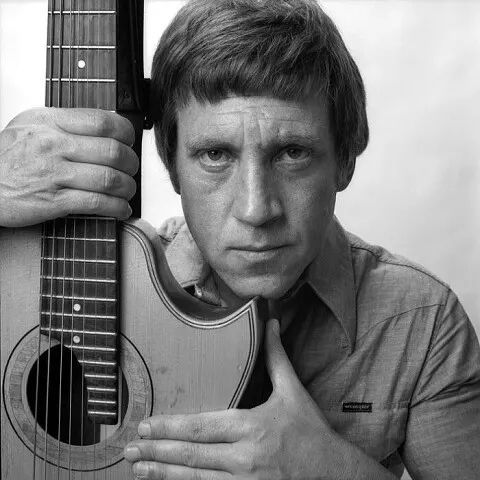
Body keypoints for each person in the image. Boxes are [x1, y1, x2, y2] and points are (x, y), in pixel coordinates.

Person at [0, 0, 479, 478]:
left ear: (346, 158)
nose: (256, 210)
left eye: (292, 153)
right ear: (170, 164)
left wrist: (332, 470)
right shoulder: (30, 287)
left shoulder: (422, 320)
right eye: (215, 154)